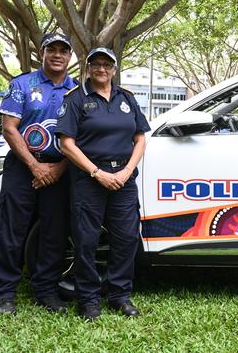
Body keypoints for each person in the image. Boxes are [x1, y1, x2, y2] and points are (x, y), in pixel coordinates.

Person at [55, 47, 150, 321]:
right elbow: (66, 144)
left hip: (123, 179)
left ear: (114, 69)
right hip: (88, 179)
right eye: (95, 64)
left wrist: (127, 171)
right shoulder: (75, 99)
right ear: (87, 68)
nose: (101, 69)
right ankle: (89, 300)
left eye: (106, 64)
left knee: (126, 238)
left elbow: (140, 137)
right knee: (86, 240)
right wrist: (98, 173)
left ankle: (120, 295)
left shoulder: (127, 98)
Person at [0, 33, 77, 315]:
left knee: (54, 233)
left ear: (70, 56)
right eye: (52, 49)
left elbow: (80, 137)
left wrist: (58, 167)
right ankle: (4, 294)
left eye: (64, 50)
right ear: (42, 52)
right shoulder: (21, 84)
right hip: (22, 166)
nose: (58, 55)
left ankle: (46, 291)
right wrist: (34, 166)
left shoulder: (77, 90)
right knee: (11, 231)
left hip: (60, 169)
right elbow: (9, 128)